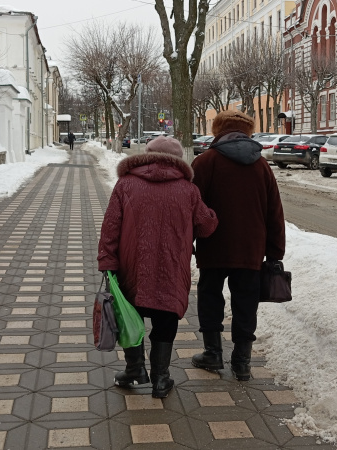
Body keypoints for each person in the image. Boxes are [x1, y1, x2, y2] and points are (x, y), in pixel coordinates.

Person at [98, 136, 218, 398]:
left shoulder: (126, 184)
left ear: (148, 154)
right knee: (166, 316)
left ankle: (135, 370)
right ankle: (161, 379)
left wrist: (107, 262)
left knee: (131, 315)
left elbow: (110, 227)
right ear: (178, 159)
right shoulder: (188, 190)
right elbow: (206, 226)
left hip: (131, 265)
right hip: (172, 266)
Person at [190, 110, 285, 381]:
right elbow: (274, 212)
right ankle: (242, 362)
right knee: (246, 302)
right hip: (251, 249)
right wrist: (275, 252)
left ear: (218, 130)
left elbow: (193, 208)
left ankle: (213, 353)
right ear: (248, 131)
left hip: (214, 245)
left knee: (210, 298)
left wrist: (189, 242)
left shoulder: (205, 162)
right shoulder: (261, 165)